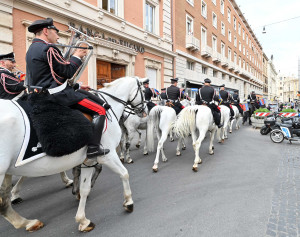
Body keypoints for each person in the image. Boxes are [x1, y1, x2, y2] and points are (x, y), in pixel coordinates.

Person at [25, 17, 110, 159]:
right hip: (56, 96)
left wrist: (77, 85)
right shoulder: (48, 48)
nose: (58, 36)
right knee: (100, 110)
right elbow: (67, 72)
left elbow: (51, 77)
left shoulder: (32, 49)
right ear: (46, 31)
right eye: (55, 32)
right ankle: (93, 148)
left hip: (44, 94)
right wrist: (76, 56)